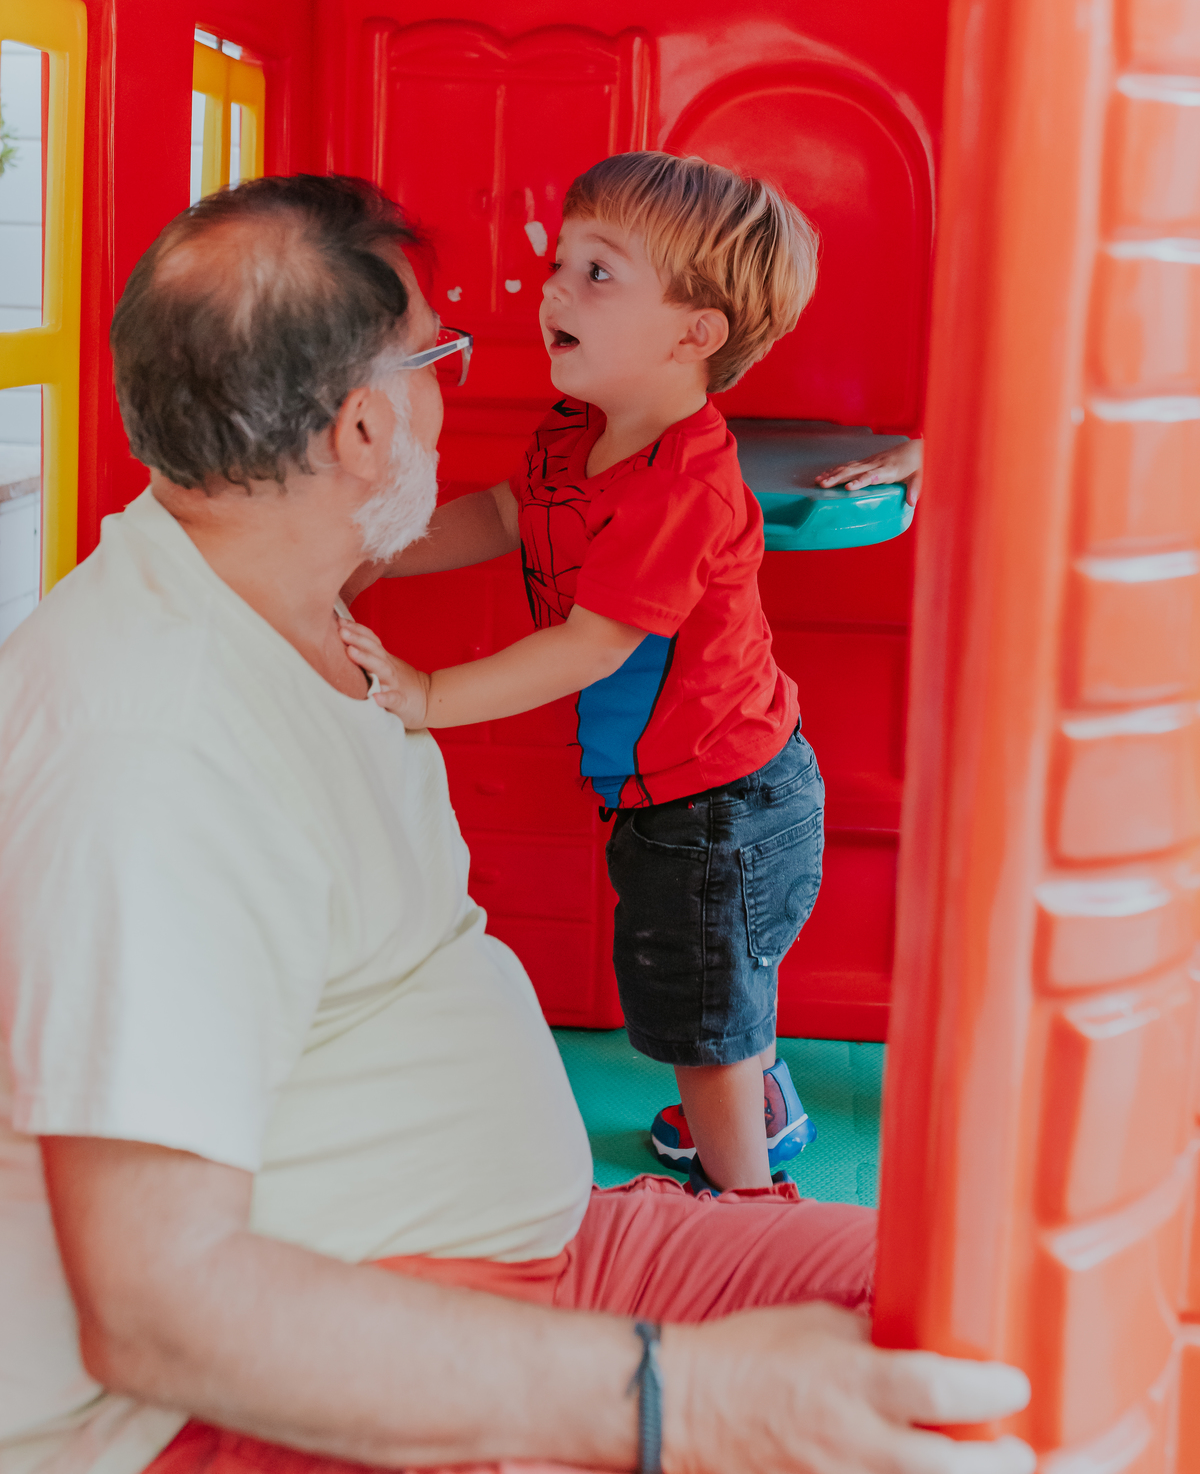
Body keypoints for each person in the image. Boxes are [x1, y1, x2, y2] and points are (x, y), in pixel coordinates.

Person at [0, 175, 1033, 1474]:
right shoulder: (150, 757)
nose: (464, 380)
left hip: (537, 1245)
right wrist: (690, 1403)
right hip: (292, 1383)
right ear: (364, 428)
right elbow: (161, 1311)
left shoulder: (279, 594)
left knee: (994, 1327)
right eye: (438, 356)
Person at [339, 153, 823, 1197]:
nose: (553, 287)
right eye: (561, 261)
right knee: (722, 979)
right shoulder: (579, 434)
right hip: (689, 788)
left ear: (694, 335)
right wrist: (375, 545)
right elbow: (504, 514)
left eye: (597, 274)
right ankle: (756, 1102)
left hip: (724, 801)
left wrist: (429, 696)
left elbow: (592, 646)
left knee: (706, 1019)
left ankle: (746, 1206)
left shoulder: (682, 486)